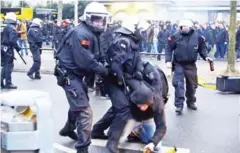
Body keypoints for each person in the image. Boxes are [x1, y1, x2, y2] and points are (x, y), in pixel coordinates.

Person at [91, 18, 167, 153]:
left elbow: (135, 59)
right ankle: (111, 145)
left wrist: (137, 71)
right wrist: (121, 80)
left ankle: (97, 130)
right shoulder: (123, 42)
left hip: (125, 77)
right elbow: (116, 64)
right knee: (124, 108)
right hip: (114, 79)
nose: (140, 32)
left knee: (118, 108)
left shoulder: (132, 42)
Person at [54, 2, 109, 153]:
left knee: (79, 103)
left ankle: (68, 128)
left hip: (76, 75)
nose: (99, 22)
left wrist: (106, 63)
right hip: (70, 75)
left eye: (101, 19)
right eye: (96, 19)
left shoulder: (92, 33)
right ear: (87, 18)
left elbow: (98, 54)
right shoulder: (81, 34)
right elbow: (86, 61)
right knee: (85, 111)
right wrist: (105, 71)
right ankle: (82, 148)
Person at [165, 19, 213, 115]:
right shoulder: (174, 36)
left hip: (191, 64)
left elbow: (202, 49)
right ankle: (179, 105)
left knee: (192, 85)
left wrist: (206, 57)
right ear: (180, 27)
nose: (185, 28)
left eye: (186, 26)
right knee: (178, 84)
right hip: (179, 64)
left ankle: (191, 102)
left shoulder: (198, 37)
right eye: (183, 26)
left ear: (190, 27)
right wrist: (168, 61)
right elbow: (168, 49)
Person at [1, 12, 21, 89]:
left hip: (2, 47)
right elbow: (12, 41)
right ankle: (8, 83)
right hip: (8, 49)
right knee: (9, 66)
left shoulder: (5, 27)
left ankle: (1, 82)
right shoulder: (12, 28)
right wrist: (18, 48)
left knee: (4, 66)